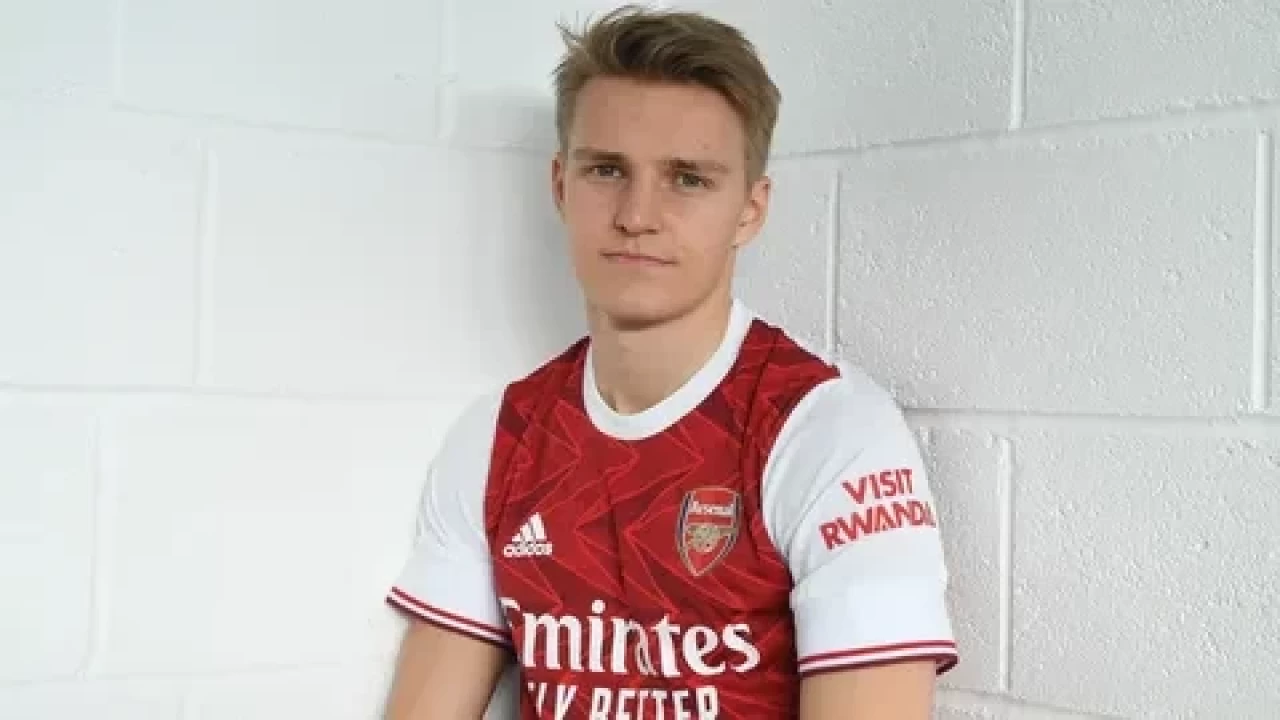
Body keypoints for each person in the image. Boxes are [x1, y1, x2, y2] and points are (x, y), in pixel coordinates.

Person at [382, 5, 958, 719]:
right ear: (561, 186)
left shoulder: (828, 434)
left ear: (750, 210)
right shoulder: (499, 436)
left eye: (687, 179)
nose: (636, 215)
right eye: (606, 170)